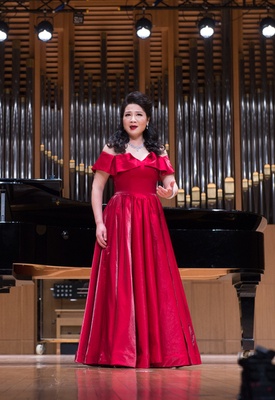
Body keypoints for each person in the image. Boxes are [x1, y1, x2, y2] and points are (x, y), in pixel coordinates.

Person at [75, 91, 201, 368]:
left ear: (148, 119)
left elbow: (172, 185)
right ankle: (118, 352)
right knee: (119, 285)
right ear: (122, 119)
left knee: (155, 282)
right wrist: (99, 222)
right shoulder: (113, 148)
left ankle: (155, 352)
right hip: (119, 218)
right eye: (128, 114)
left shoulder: (159, 150)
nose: (133, 119)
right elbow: (97, 187)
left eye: (138, 114)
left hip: (150, 220)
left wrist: (169, 193)